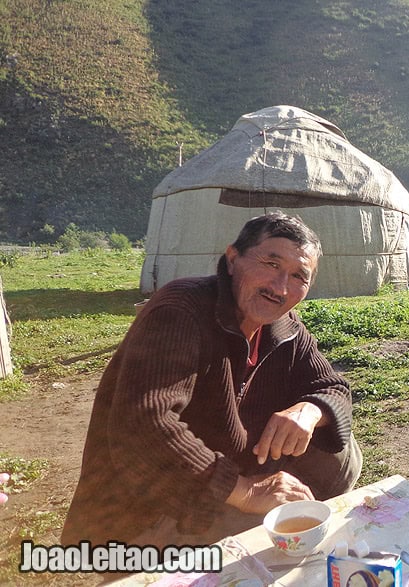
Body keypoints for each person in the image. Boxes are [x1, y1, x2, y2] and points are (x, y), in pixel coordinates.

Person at [62, 212, 362, 547]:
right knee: (252, 523)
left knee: (336, 448)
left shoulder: (284, 327)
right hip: (146, 506)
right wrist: (247, 492)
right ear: (232, 259)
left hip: (226, 467)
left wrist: (309, 410)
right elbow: (143, 425)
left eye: (298, 276)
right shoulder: (181, 312)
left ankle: (285, 538)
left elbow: (334, 388)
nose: (280, 287)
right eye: (270, 263)